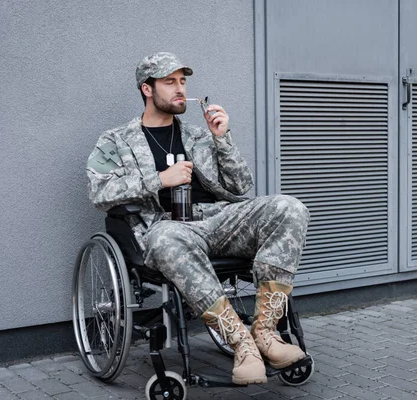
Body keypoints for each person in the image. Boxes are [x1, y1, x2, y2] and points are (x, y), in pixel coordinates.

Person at [86, 52, 310, 385]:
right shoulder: (115, 141)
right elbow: (99, 192)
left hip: (216, 220)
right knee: (166, 237)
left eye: (183, 81)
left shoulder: (198, 135)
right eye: (169, 82)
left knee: (290, 207)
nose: (180, 89)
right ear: (147, 89)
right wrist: (161, 179)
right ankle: (241, 343)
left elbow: (240, 187)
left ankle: (265, 333)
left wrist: (223, 137)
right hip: (165, 227)